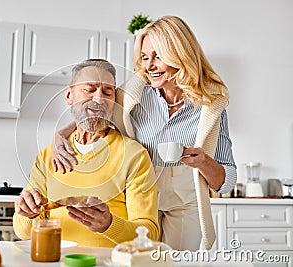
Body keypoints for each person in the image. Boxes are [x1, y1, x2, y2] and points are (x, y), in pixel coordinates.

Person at [51, 16, 237, 251]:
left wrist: (203, 162)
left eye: (158, 56)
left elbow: (227, 181)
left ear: (180, 55)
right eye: (145, 57)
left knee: (174, 263)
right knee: (137, 259)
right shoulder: (133, 96)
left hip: (185, 197)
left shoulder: (210, 107)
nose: (149, 65)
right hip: (139, 193)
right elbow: (94, 116)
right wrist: (60, 134)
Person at [13, 59, 159, 247]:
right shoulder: (47, 156)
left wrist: (109, 225)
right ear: (69, 95)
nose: (99, 99)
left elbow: (149, 234)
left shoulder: (134, 155)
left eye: (108, 92)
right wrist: (27, 213)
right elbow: (22, 232)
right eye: (89, 89)